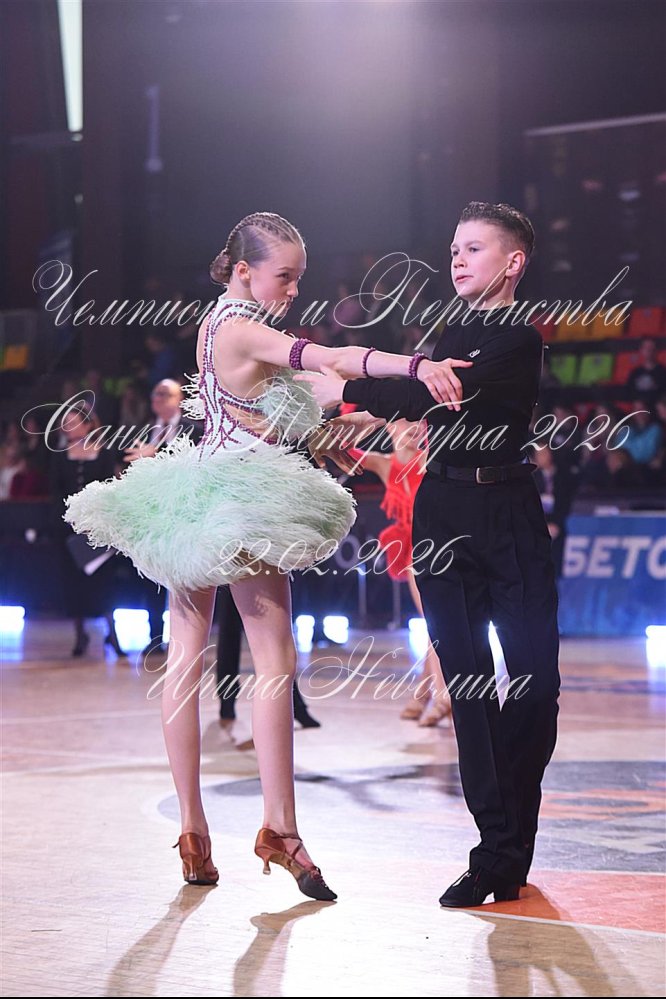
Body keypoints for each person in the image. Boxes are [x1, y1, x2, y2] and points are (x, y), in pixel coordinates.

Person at [62, 211, 455, 898]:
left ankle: (194, 831)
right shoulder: (245, 328)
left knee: (187, 657)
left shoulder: (218, 322)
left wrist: (381, 411)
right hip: (243, 500)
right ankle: (281, 827)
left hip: (196, 497)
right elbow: (331, 360)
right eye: (286, 277)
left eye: (299, 278)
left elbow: (299, 405)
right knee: (274, 660)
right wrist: (417, 366)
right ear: (244, 270)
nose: (294, 290)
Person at [297, 201, 562, 908]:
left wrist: (345, 389)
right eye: (453, 248)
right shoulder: (446, 335)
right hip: (441, 510)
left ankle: (512, 840)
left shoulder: (521, 338)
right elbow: (420, 391)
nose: (457, 258)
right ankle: (495, 853)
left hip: (509, 513)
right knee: (467, 686)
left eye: (473, 247)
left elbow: (429, 390)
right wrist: (364, 403)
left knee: (535, 684)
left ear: (513, 262)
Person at [347, 416, 452, 726]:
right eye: (406, 422)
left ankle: (433, 695)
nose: (415, 428)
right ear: (390, 427)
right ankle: (433, 695)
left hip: (436, 543)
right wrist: (366, 418)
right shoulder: (384, 464)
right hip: (409, 546)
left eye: (420, 423)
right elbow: (344, 450)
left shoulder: (430, 458)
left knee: (436, 621)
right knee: (433, 620)